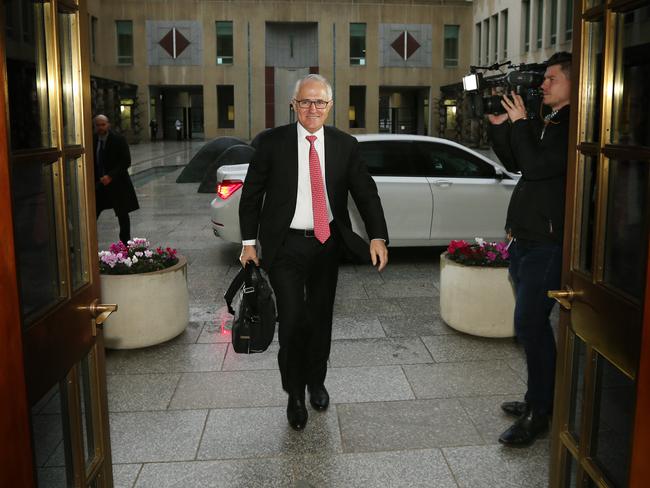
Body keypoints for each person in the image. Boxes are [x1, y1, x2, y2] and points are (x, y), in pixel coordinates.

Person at [239, 74, 389, 431]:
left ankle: (316, 382)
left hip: (326, 244)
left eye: (320, 102)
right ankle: (294, 392)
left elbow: (365, 193)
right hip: (285, 245)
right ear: (293, 105)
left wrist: (378, 236)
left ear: (330, 106)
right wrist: (248, 243)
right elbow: (251, 195)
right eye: (305, 102)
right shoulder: (272, 143)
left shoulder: (344, 145)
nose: (312, 109)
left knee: (320, 320)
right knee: (293, 321)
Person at [488, 51, 572, 447]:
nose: (542, 85)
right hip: (523, 239)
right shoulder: (546, 119)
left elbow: (538, 168)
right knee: (533, 329)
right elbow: (516, 162)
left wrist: (521, 122)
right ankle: (538, 398)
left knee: (529, 326)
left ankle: (540, 410)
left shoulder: (573, 126)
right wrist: (501, 126)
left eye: (551, 79)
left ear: (573, 83)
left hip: (547, 246)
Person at [93, 114, 140, 244]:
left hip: (117, 183)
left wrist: (111, 176)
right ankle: (87, 240)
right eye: (98, 125)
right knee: (91, 212)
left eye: (103, 124)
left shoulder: (118, 139)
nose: (101, 127)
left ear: (108, 125)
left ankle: (126, 243)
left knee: (122, 214)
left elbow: (125, 161)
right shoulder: (92, 140)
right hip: (100, 185)